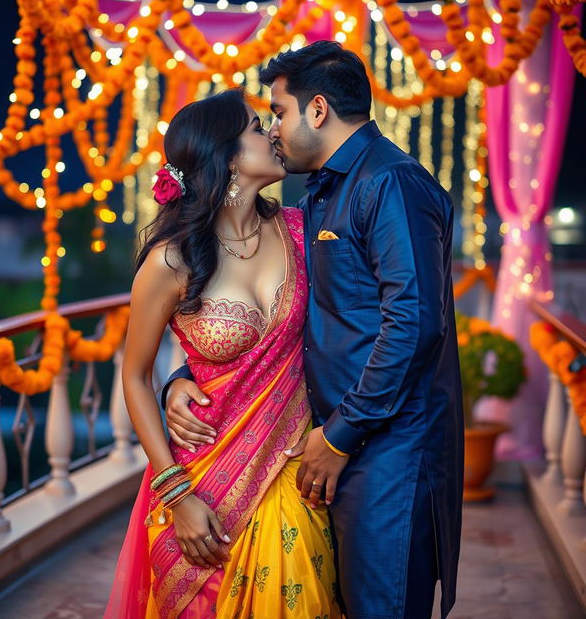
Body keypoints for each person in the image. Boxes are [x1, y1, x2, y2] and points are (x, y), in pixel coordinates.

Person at [163, 41, 464, 619]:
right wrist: (182, 375)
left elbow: (415, 324)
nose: (273, 130)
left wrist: (339, 436)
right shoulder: (322, 193)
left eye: (277, 112)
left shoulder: (390, 183)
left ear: (318, 110)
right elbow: (285, 320)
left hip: (389, 451)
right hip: (331, 446)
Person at [105, 88, 341, 619]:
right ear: (227, 155)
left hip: (291, 469)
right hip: (201, 485)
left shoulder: (303, 233)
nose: (275, 134)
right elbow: (136, 375)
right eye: (259, 128)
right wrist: (176, 495)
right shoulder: (173, 260)